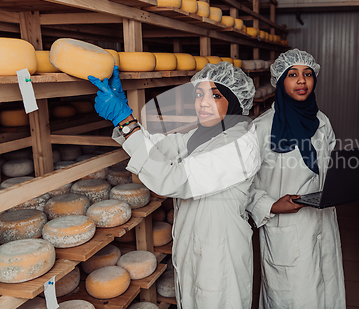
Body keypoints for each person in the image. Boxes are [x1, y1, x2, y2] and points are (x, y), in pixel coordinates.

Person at [89, 61, 260, 309]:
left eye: (215, 95)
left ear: (234, 101)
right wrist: (126, 122)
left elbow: (174, 179)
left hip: (219, 255)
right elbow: (159, 148)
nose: (203, 102)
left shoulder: (239, 144)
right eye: (199, 94)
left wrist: (126, 120)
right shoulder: (203, 134)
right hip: (198, 248)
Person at [247, 49, 346, 308]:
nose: (302, 81)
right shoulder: (262, 128)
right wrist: (269, 205)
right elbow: (242, 183)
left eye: (308, 74)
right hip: (286, 230)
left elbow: (329, 168)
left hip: (322, 222)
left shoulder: (321, 122)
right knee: (292, 298)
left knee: (326, 293)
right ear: (280, 81)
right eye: (293, 75)